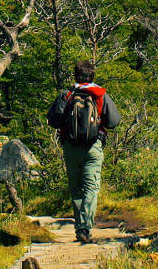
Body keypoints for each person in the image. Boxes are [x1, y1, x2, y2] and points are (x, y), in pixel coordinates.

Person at [46, 60, 120, 244]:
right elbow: (113, 121)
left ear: (76, 75)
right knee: (91, 188)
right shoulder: (100, 95)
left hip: (71, 147)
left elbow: (53, 120)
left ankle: (80, 227)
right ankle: (86, 227)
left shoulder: (67, 95)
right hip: (93, 147)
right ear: (92, 76)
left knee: (76, 188)